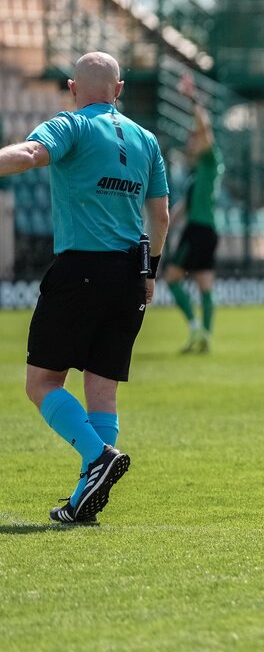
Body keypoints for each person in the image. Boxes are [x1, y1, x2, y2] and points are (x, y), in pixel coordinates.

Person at [0, 52, 169, 523]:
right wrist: (151, 272)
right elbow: (160, 216)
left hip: (81, 271)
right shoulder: (147, 139)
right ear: (119, 90)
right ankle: (81, 502)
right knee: (102, 392)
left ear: (73, 88)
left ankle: (98, 457)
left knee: (42, 383)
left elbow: (30, 154)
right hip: (130, 277)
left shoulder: (71, 124)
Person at [164, 71, 224, 353]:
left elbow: (205, 127)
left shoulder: (210, 160)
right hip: (206, 230)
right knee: (204, 285)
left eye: (194, 136)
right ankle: (205, 337)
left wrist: (192, 98)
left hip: (199, 229)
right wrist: (164, 226)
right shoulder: (197, 171)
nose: (191, 140)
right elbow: (183, 208)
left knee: (172, 279)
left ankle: (195, 328)